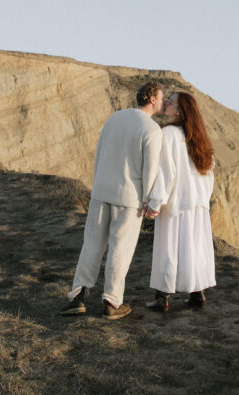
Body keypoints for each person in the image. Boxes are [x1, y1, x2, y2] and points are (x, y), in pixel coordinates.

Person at [59, 80, 164, 320]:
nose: (162, 101)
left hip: (101, 191)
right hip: (128, 198)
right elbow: (150, 170)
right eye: (160, 97)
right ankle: (112, 301)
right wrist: (149, 199)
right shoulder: (151, 129)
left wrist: (98, 184)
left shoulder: (114, 119)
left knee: (92, 244)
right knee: (120, 249)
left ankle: (77, 296)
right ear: (151, 99)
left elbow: (100, 154)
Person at [145, 91, 215, 310]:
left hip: (176, 203)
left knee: (170, 248)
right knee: (193, 249)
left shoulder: (168, 134)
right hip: (197, 205)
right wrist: (202, 199)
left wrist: (156, 202)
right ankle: (197, 294)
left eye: (171, 102)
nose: (166, 103)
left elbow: (166, 173)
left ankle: (162, 297)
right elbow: (208, 175)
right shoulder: (200, 139)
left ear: (181, 110)